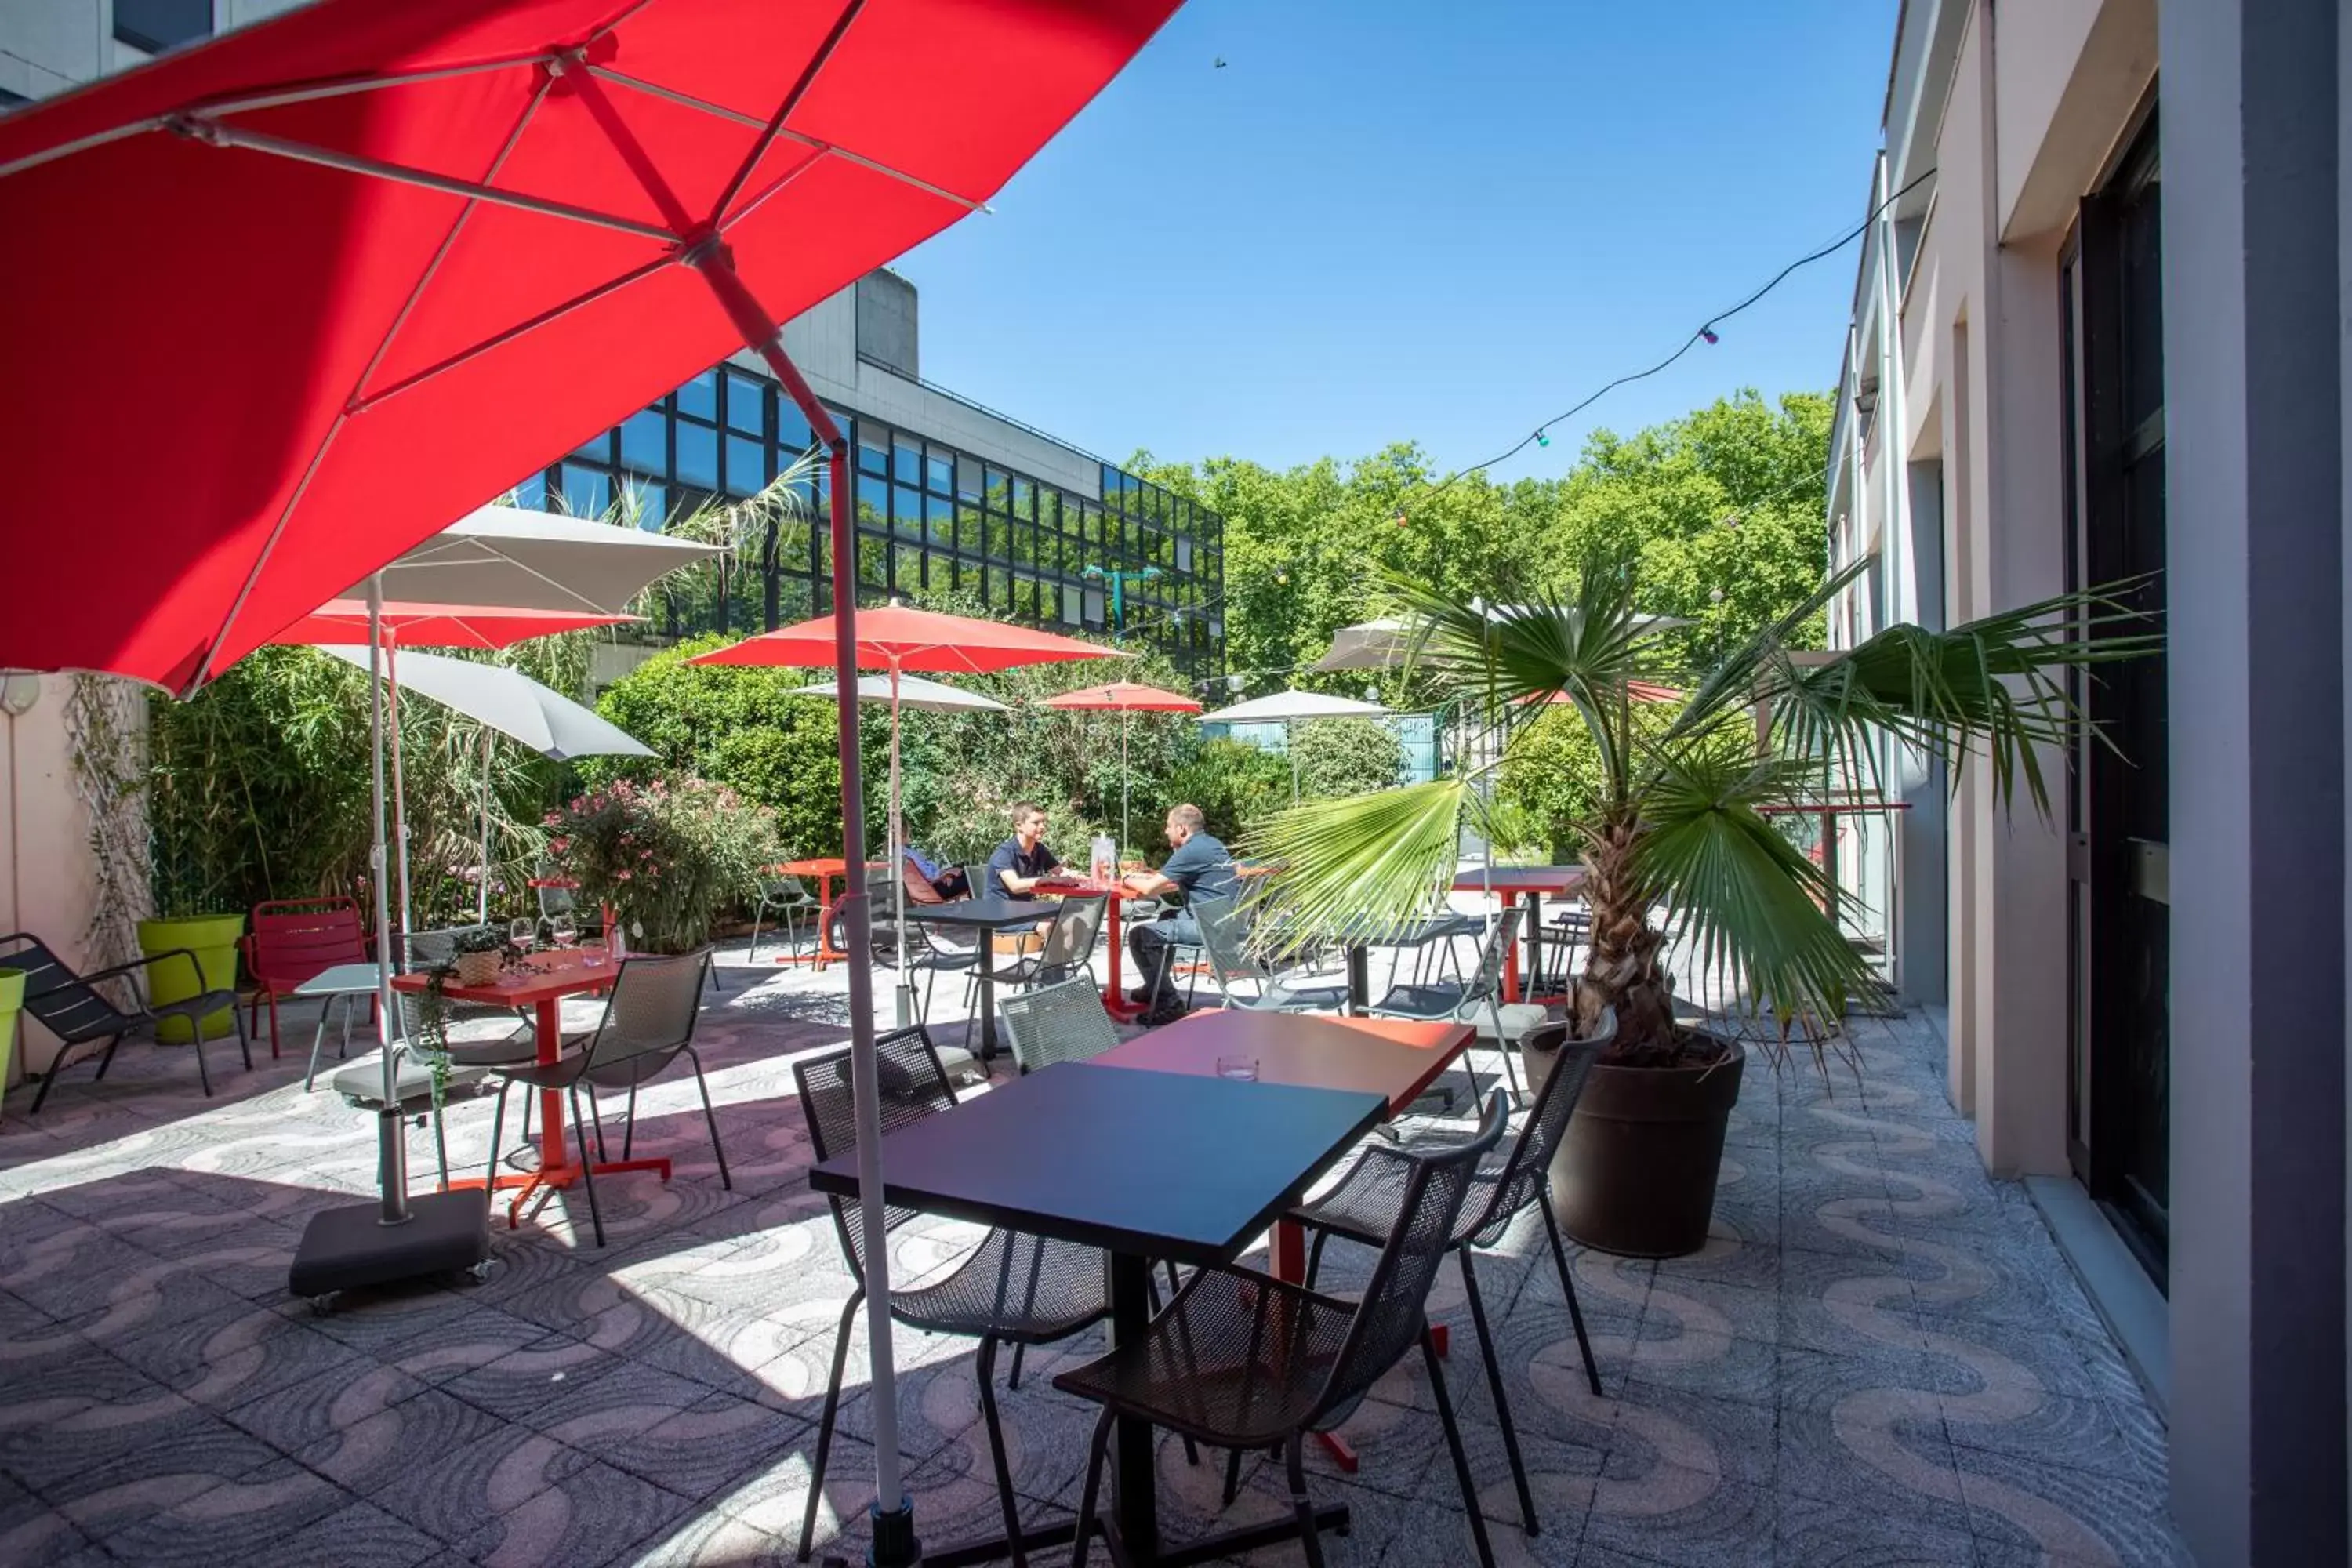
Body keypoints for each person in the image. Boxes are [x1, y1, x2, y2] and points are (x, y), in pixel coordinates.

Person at [1123, 803, 1239, 1014]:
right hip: (1224, 920)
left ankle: (1170, 1003)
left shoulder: (1192, 850)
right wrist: (1154, 875)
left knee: (1140, 936)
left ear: (1182, 829)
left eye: (1168, 826)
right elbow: (1172, 880)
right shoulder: (1211, 844)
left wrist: (1126, 877)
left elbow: (1149, 889)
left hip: (1209, 926)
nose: (1165, 830)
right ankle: (1155, 987)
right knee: (1168, 915)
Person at [985, 802, 1062, 896]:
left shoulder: (1039, 849)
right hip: (999, 908)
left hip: (1026, 908)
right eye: (1036, 823)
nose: (1042, 827)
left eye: (1043, 822)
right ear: (1019, 826)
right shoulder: (1004, 853)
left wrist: (1078, 877)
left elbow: (1060, 872)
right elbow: (1015, 886)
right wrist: (1048, 880)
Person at [902, 845, 967, 902]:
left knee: (965, 869)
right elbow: (929, 878)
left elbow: (929, 872)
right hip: (934, 889)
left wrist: (946, 873)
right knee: (970, 878)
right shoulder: (907, 854)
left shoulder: (906, 851)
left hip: (938, 881)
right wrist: (946, 874)